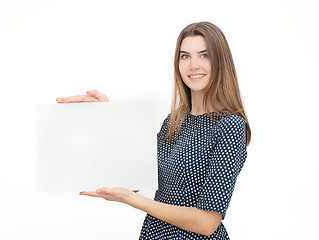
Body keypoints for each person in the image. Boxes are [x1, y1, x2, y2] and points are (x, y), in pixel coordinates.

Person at [56, 21, 251, 239]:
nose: (193, 65)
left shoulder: (230, 126)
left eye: (204, 55)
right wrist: (105, 118)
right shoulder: (175, 120)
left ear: (221, 62)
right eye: (185, 56)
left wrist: (133, 200)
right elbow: (139, 177)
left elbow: (206, 223)